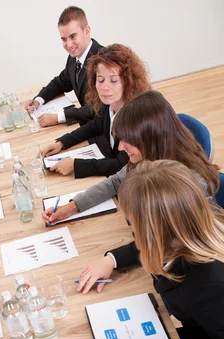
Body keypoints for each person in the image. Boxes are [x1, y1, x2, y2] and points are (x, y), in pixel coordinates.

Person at [80, 161, 224, 339]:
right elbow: (149, 244)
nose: (133, 233)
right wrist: (111, 259)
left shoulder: (212, 284)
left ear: (155, 232)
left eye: (135, 226)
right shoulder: (187, 229)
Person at [42, 90, 219, 231]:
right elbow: (116, 181)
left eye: (127, 141)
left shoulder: (188, 185)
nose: (120, 148)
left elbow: (167, 239)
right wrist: (72, 206)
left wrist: (114, 259)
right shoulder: (150, 154)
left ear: (150, 138)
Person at [41, 44, 150, 179]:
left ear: (128, 81)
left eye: (113, 80)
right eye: (100, 80)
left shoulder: (136, 116)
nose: (105, 87)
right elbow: (95, 126)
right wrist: (62, 142)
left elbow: (120, 164)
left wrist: (75, 165)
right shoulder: (109, 103)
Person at [24, 6, 103, 127]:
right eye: (64, 39)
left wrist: (59, 117)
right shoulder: (73, 59)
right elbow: (59, 83)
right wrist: (38, 100)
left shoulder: (104, 60)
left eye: (73, 36)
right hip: (88, 126)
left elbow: (95, 108)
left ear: (86, 31)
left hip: (102, 130)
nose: (69, 44)